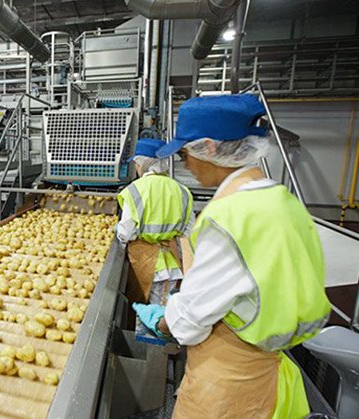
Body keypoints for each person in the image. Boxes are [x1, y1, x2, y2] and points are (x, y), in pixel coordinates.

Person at [132, 94, 331, 418]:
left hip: (227, 386)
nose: (186, 165)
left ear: (209, 148)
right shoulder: (284, 202)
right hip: (266, 372)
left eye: (185, 154)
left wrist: (163, 320)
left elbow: (190, 321)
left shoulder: (231, 217)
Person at [116, 138, 194, 306]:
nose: (136, 168)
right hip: (172, 262)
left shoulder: (135, 190)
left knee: (145, 311)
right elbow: (188, 231)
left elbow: (125, 233)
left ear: (142, 164)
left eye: (136, 163)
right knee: (165, 307)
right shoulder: (182, 190)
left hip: (146, 261)